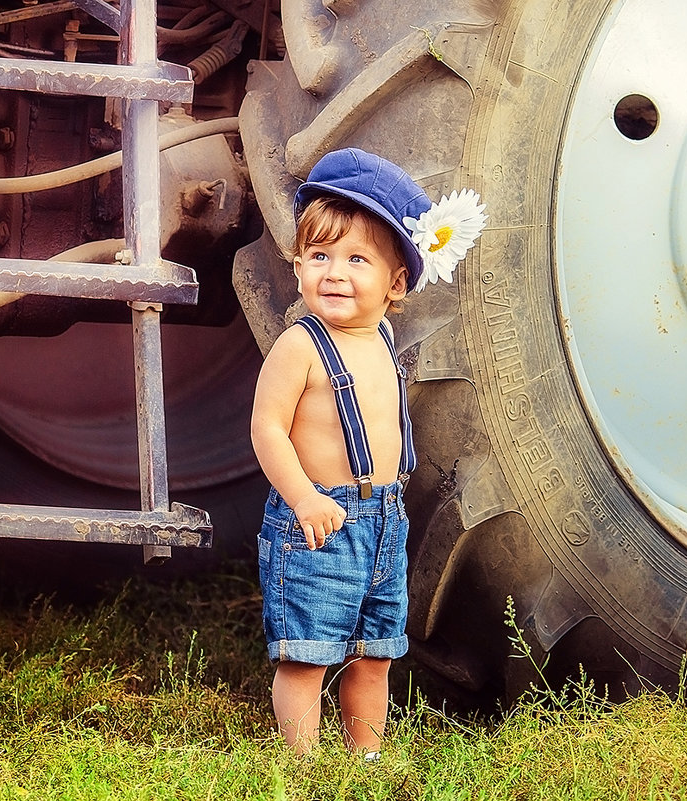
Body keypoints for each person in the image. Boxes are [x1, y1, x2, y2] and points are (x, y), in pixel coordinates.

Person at [250, 147, 485, 756]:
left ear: (397, 283)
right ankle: (303, 769)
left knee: (373, 655)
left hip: (383, 520)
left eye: (357, 259)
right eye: (320, 255)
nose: (334, 272)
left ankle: (366, 760)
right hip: (318, 525)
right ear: (299, 264)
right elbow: (267, 429)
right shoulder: (299, 347)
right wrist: (301, 498)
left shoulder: (381, 336)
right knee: (307, 656)